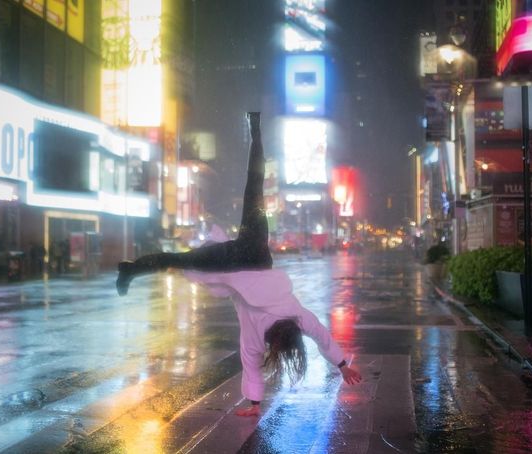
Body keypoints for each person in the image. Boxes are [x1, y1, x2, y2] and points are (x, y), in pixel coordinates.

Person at [116, 112, 362, 416]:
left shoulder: (299, 317)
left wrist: (343, 365)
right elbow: (251, 365)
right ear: (274, 344)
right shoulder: (256, 337)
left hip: (257, 253)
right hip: (229, 263)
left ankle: (256, 128)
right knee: (175, 260)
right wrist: (255, 405)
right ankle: (129, 270)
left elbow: (322, 336)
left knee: (254, 188)